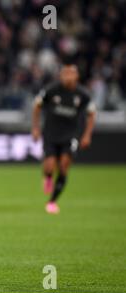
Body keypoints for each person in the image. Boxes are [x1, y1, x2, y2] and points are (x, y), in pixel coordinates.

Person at [32, 63, 96, 214]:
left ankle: (52, 201)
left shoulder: (83, 95)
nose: (67, 76)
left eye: (70, 73)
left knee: (63, 166)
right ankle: (47, 177)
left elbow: (92, 113)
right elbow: (36, 106)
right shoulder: (51, 90)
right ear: (60, 75)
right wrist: (35, 128)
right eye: (64, 73)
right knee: (49, 165)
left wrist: (87, 135)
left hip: (71, 135)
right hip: (51, 134)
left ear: (76, 76)